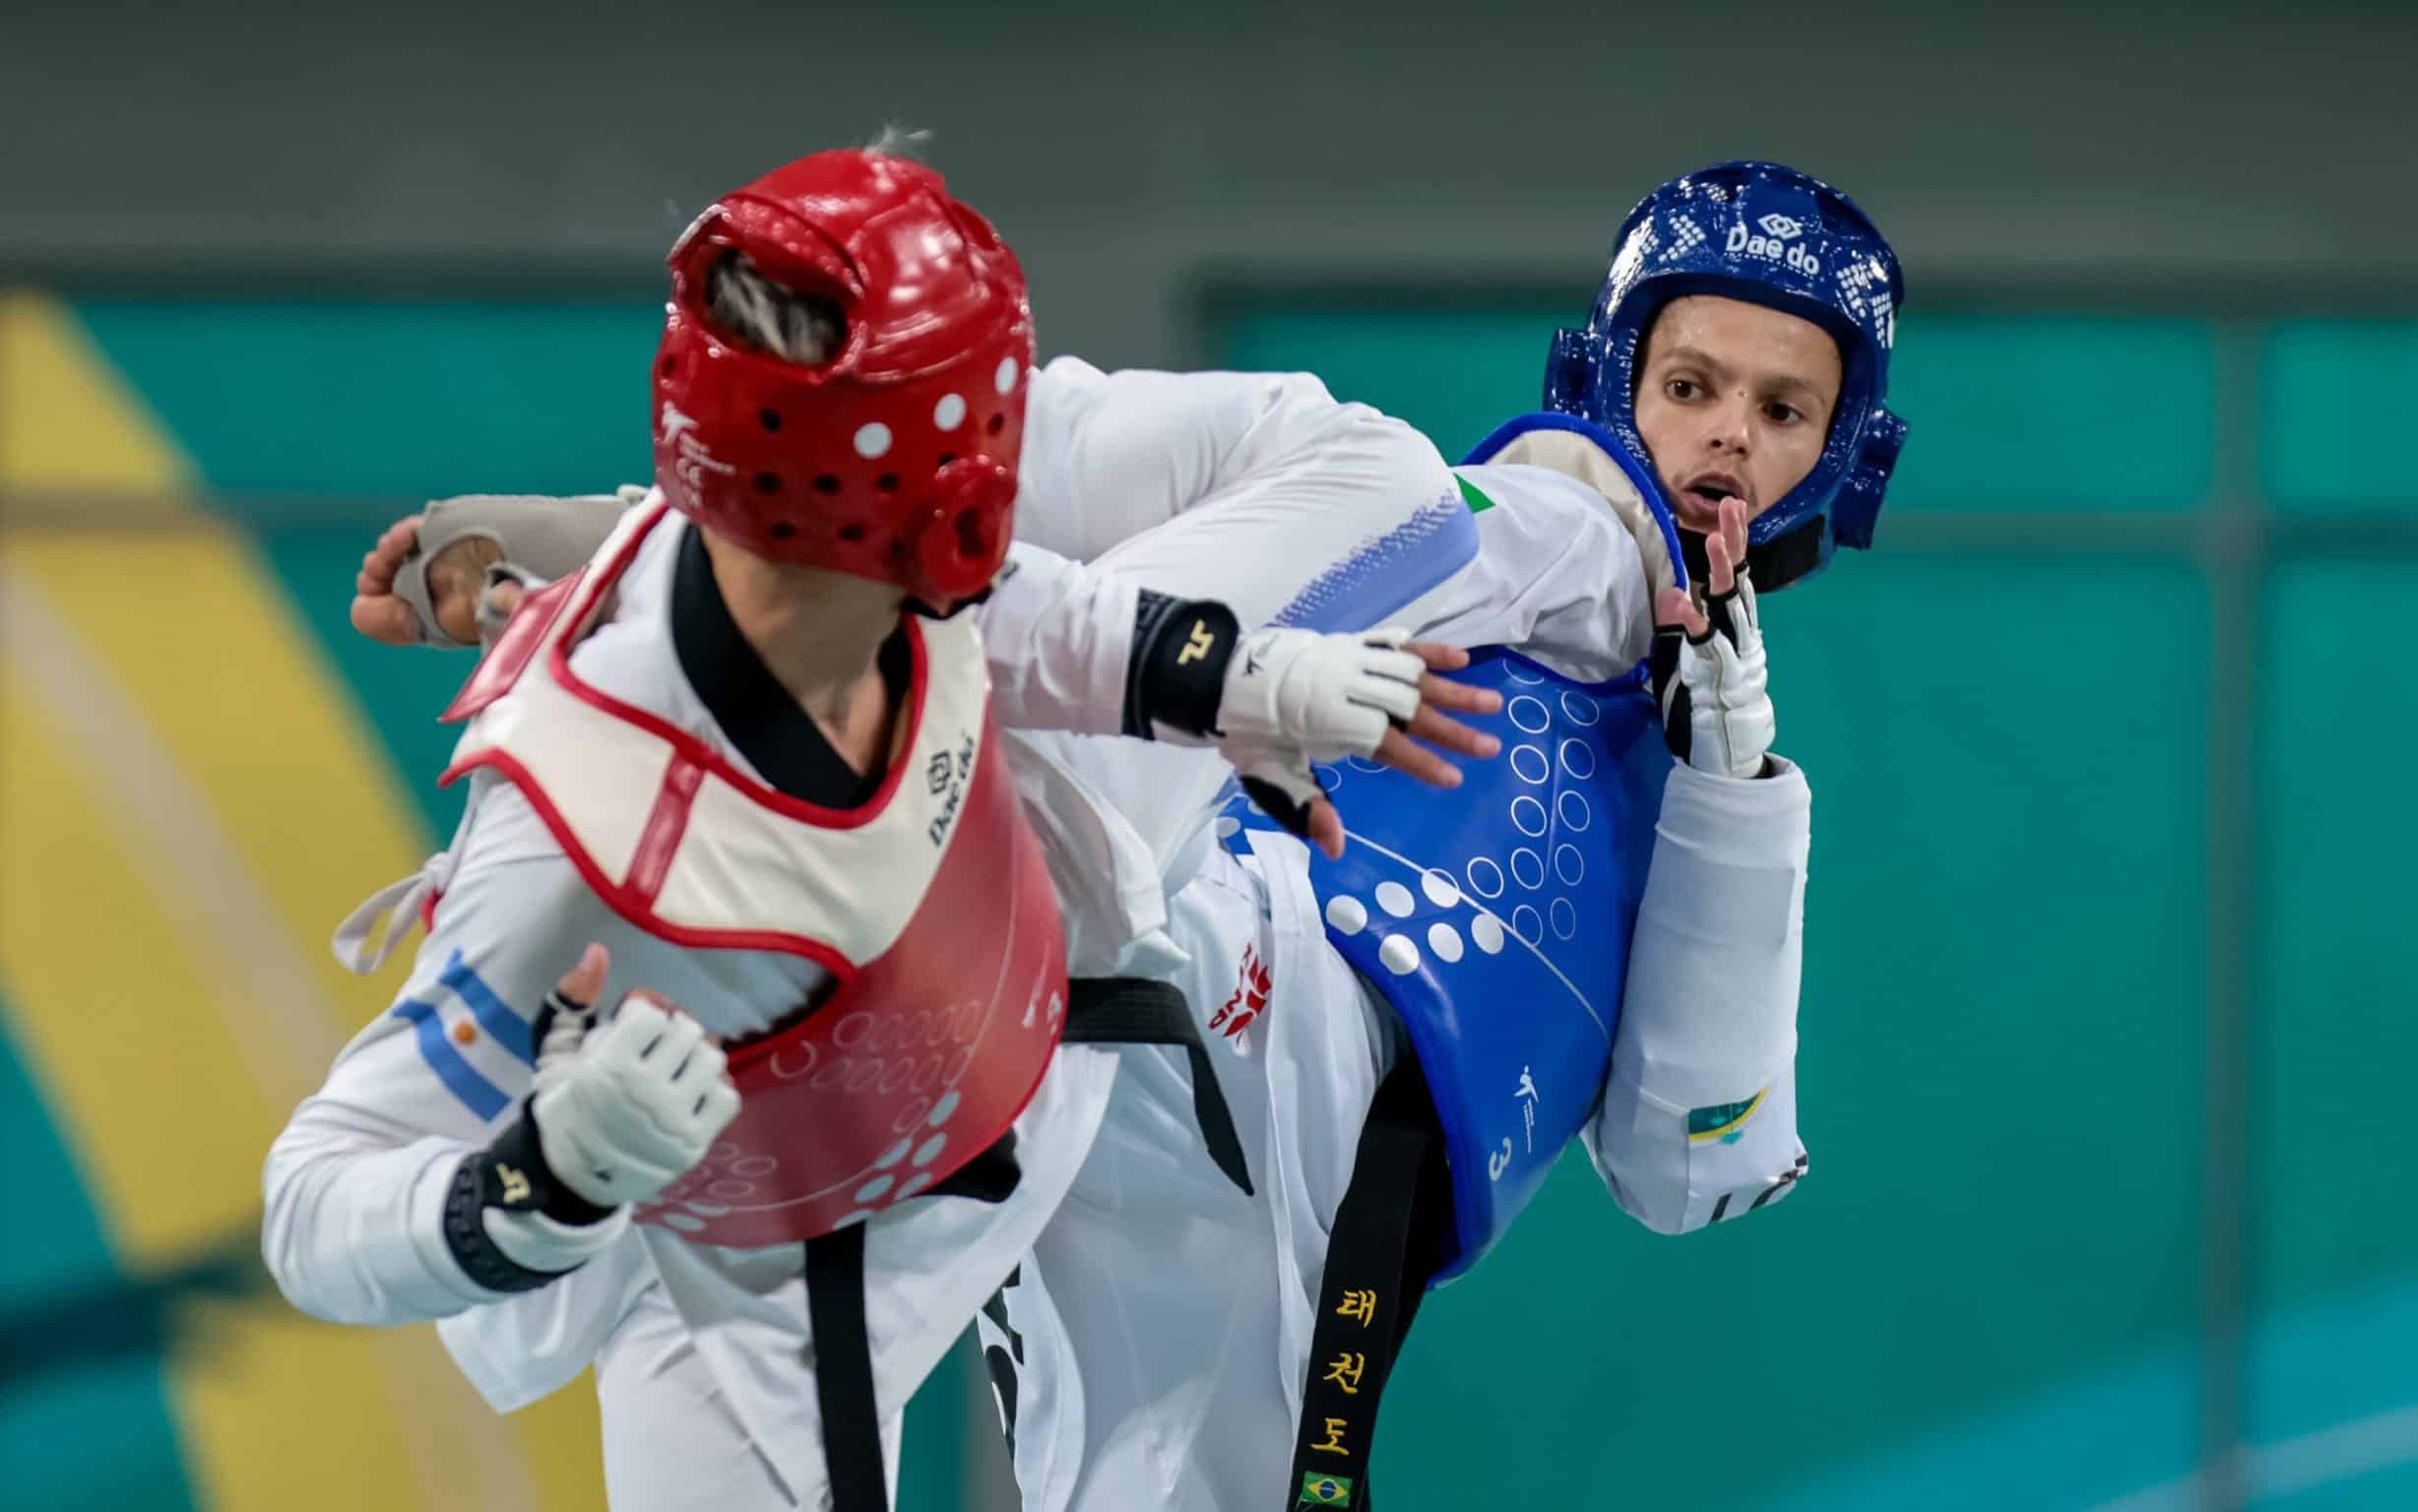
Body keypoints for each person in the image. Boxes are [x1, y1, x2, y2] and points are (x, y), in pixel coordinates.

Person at [362, 158, 1907, 1510]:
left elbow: (1693, 1166)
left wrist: (1728, 785)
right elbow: (1071, 460)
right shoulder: (1513, 523)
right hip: (1193, 939)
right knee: (1347, 478)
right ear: (1610, 377)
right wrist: (619, 540)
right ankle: (732, 635)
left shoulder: (1703, 781)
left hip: (1278, 1169)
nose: (1724, 441)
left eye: (1783, 411)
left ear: (1843, 458)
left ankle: (747, 820)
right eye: (1689, 385)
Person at [258, 147, 1495, 1512]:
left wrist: (1249, 683)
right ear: (947, 494)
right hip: (759, 1253)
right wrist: (540, 1177)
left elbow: (1020, 616)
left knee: (1396, 492)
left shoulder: (901, 569)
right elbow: (312, 1206)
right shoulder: (573, 832)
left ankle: (602, 540)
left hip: (1042, 929)